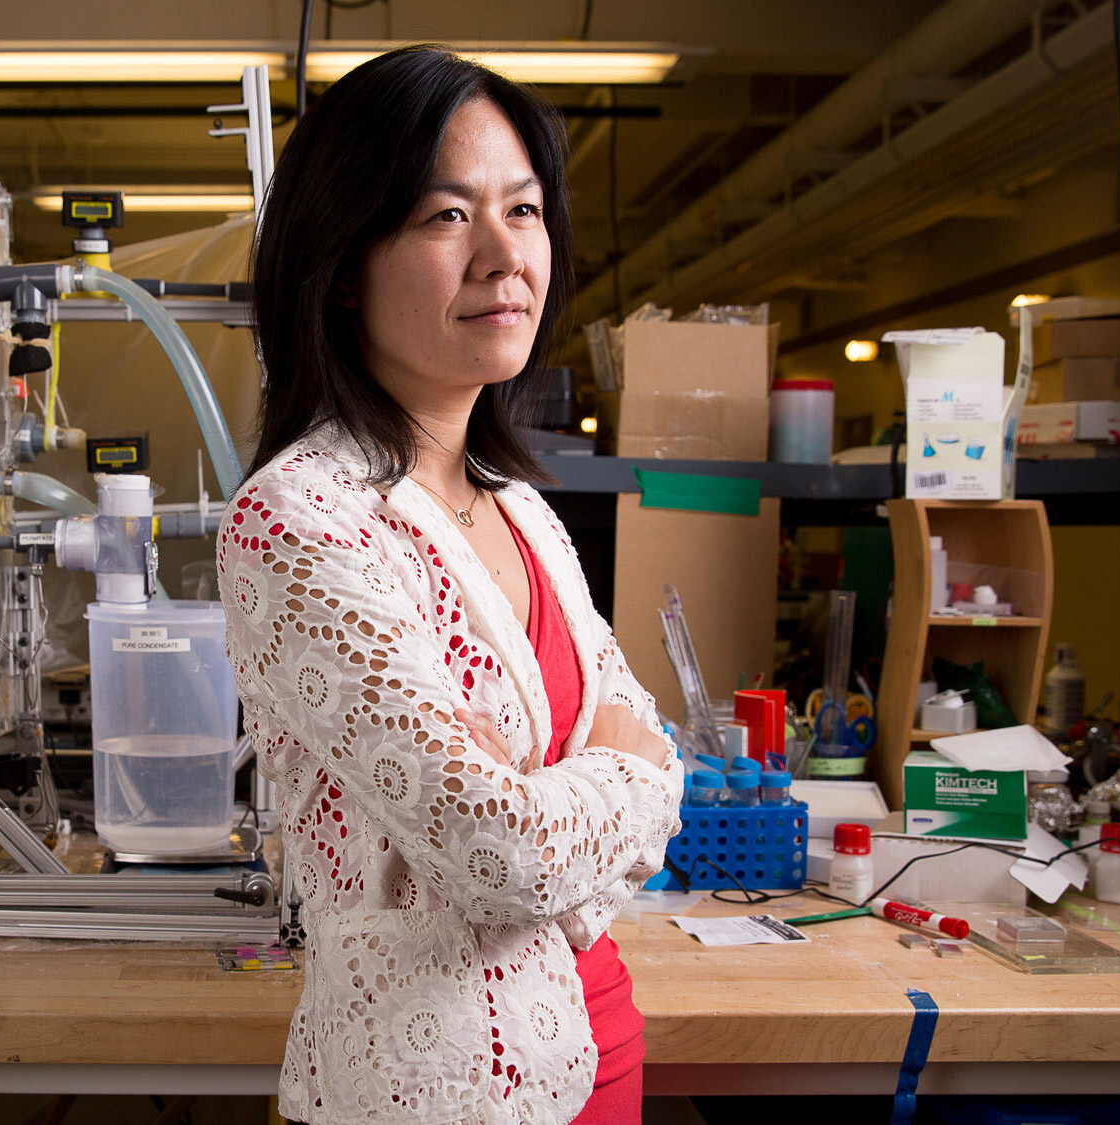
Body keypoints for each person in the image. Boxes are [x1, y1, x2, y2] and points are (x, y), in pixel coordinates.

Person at [218, 47, 686, 1125]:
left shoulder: (518, 509)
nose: (501, 256)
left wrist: (562, 811)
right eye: (444, 217)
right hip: (434, 1093)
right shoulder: (299, 519)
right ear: (341, 260)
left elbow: (664, 767)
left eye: (522, 211)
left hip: (600, 1052)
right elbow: (500, 855)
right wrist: (589, 795)